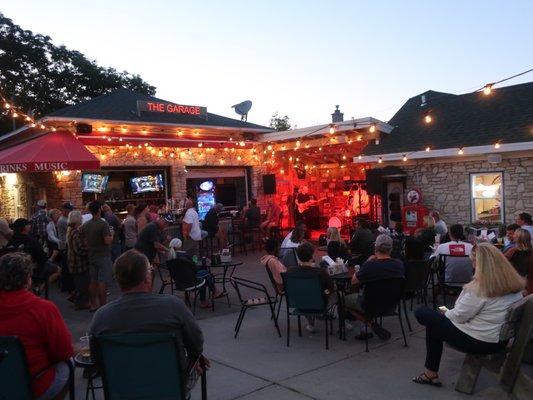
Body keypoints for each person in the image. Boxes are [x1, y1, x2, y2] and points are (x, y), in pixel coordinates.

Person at [89, 249, 209, 389]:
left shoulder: (101, 317)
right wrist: (194, 359)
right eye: (150, 270)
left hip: (124, 389)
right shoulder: (173, 307)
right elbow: (196, 341)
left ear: (119, 280)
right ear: (147, 278)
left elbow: (97, 360)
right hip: (169, 387)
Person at [413, 243, 524, 387]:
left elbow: (459, 316)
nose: (472, 265)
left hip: (480, 341)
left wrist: (447, 313)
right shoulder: (512, 283)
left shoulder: (481, 288)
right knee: (434, 324)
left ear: (480, 264)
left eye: (473, 261)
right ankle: (430, 374)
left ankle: (430, 374)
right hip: (499, 339)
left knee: (423, 314)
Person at [0, 252, 73, 399]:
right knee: (68, 364)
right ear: (27, 279)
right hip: (35, 384)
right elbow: (64, 351)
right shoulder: (42, 308)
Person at [345, 234, 405, 340]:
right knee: (370, 296)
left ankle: (370, 324)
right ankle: (368, 327)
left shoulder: (370, 265)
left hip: (370, 305)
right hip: (391, 305)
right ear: (390, 249)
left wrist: (367, 262)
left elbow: (354, 281)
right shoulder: (399, 265)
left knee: (343, 300)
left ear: (376, 248)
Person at [286, 242, 335, 333]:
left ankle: (310, 323)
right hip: (319, 305)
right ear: (312, 256)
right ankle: (344, 322)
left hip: (299, 304)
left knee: (304, 292)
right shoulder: (320, 272)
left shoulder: (290, 271)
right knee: (337, 294)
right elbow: (331, 287)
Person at [167, 238, 221, 308]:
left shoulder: (170, 257)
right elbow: (194, 268)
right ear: (180, 246)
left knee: (204, 276)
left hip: (179, 282)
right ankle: (213, 292)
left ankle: (211, 294)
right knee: (205, 274)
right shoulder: (184, 256)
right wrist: (198, 264)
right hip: (190, 281)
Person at [81, 201, 113, 312]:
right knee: (102, 281)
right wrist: (112, 235)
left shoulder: (85, 225)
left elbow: (85, 242)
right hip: (103, 255)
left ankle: (93, 304)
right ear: (99, 210)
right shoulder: (103, 224)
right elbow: (107, 241)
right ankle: (103, 306)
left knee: (93, 281)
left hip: (92, 255)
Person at [7, 218, 60, 284]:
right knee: (58, 269)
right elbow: (41, 257)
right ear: (25, 227)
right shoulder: (31, 240)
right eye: (28, 225)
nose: (30, 226)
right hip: (32, 267)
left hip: (14, 267)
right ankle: (40, 287)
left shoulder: (12, 239)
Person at [67, 210, 90, 310]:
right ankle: (80, 303)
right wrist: (88, 252)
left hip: (73, 260)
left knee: (79, 282)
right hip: (79, 262)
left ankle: (75, 297)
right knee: (82, 283)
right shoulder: (76, 232)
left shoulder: (70, 230)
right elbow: (79, 249)